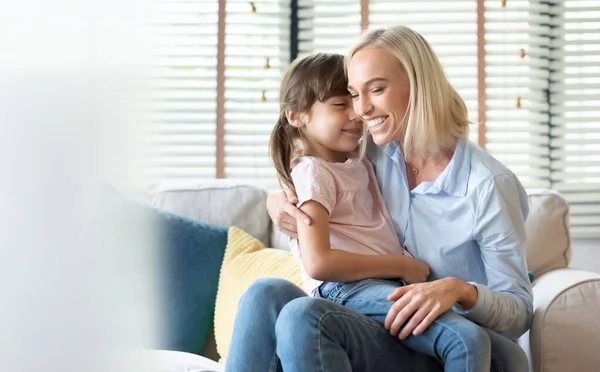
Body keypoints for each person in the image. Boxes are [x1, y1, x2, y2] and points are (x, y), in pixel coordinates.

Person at [225, 26, 533, 372]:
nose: (360, 111)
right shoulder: (373, 153)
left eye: (377, 89)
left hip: (456, 342)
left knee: (302, 314)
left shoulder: (488, 184)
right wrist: (277, 199)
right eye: (354, 95)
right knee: (263, 294)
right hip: (385, 326)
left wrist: (459, 290)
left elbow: (518, 313)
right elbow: (315, 169)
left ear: (417, 85)